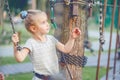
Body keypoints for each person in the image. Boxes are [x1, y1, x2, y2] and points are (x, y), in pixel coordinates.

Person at [11, 10, 81, 80]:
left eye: (46, 21)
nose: (47, 24)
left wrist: (72, 38)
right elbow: (20, 58)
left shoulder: (51, 39)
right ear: (33, 28)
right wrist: (15, 45)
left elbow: (66, 49)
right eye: (43, 22)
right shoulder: (31, 43)